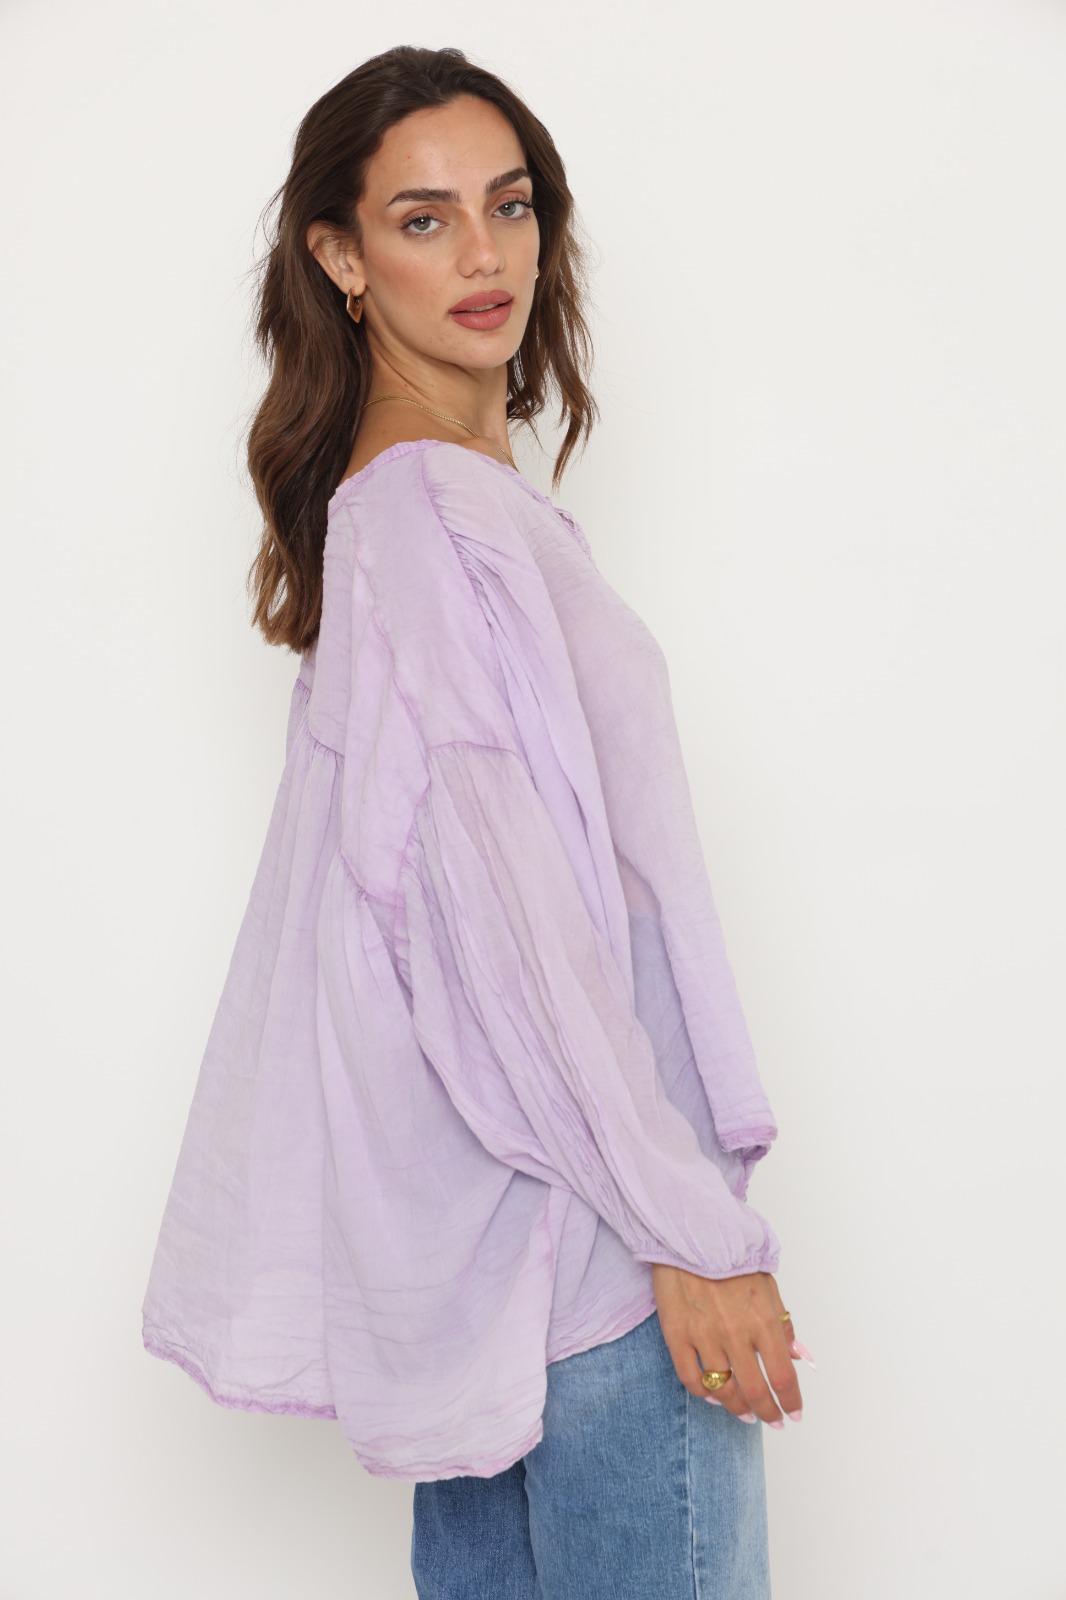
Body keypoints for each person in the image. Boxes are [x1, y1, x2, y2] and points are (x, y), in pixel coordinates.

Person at [141, 44, 816, 1599]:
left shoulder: (421, 512)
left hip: (493, 1284)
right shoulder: (429, 524)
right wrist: (691, 1231)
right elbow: (509, 931)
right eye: (422, 219)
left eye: (508, 207)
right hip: (595, 1269)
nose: (483, 255)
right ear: (339, 257)